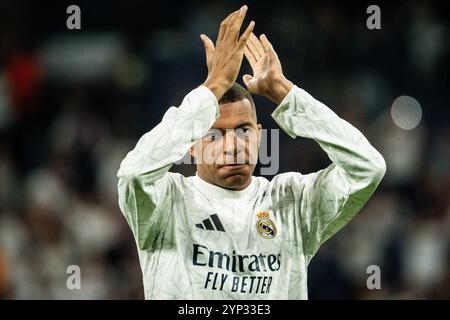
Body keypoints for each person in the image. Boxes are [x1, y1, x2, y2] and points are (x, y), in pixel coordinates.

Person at [117, 5, 386, 299]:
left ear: (259, 136)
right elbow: (132, 174)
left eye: (244, 131)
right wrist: (213, 87)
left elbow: (368, 167)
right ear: (192, 144)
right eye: (214, 135)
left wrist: (286, 93)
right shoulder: (167, 202)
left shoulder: (292, 201)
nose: (232, 145)